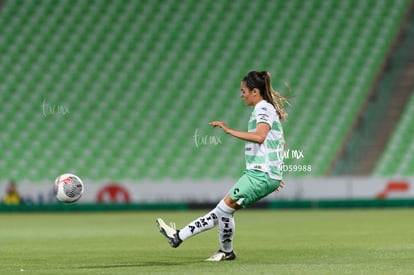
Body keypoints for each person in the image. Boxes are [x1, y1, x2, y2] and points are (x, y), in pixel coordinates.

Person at [156, 71, 289, 261]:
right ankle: (222, 251)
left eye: (243, 90)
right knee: (225, 210)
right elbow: (280, 142)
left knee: (223, 209)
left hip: (261, 174)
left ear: (254, 92)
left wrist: (228, 130)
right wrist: (276, 171)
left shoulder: (263, 109)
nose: (241, 94)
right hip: (265, 174)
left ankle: (180, 237)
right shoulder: (266, 108)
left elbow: (260, 137)